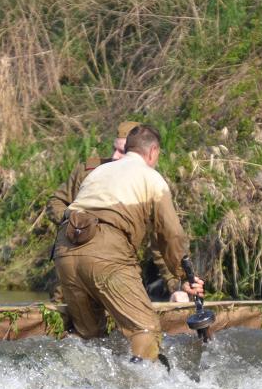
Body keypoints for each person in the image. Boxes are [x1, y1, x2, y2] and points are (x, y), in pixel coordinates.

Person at [53, 124, 204, 362]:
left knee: (91, 337)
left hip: (64, 252)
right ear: (153, 152)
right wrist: (184, 278)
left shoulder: (96, 173)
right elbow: (171, 234)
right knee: (144, 328)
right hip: (107, 254)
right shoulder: (150, 178)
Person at [46, 121, 183, 301]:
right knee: (66, 317)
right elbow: (56, 202)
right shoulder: (89, 171)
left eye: (123, 151)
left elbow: (162, 239)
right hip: (73, 261)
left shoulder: (146, 182)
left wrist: (176, 286)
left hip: (116, 266)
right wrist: (74, 218)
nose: (115, 156)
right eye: (114, 149)